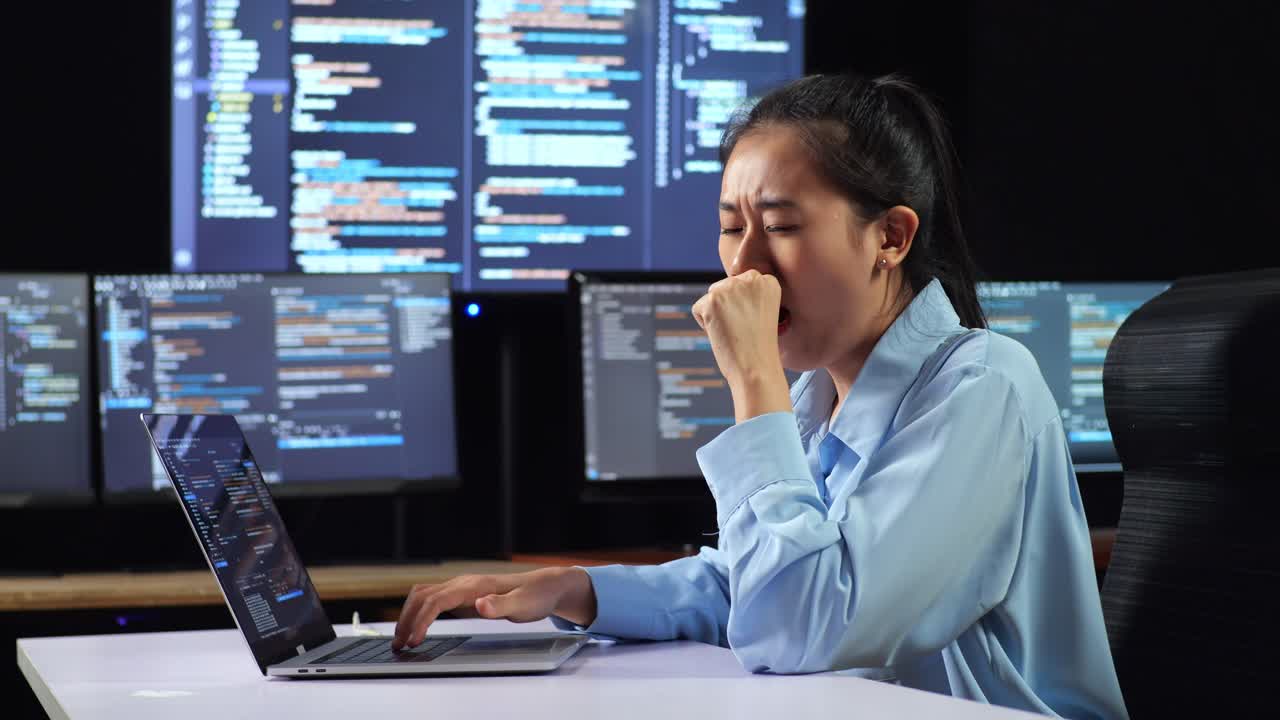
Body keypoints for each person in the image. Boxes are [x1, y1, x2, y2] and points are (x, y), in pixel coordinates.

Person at [392, 72, 1127, 719]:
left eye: (779, 226)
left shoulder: (981, 386)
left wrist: (754, 383)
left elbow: (799, 626)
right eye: (730, 227)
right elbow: (752, 587)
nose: (743, 265)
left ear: (891, 238)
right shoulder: (817, 395)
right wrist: (575, 589)